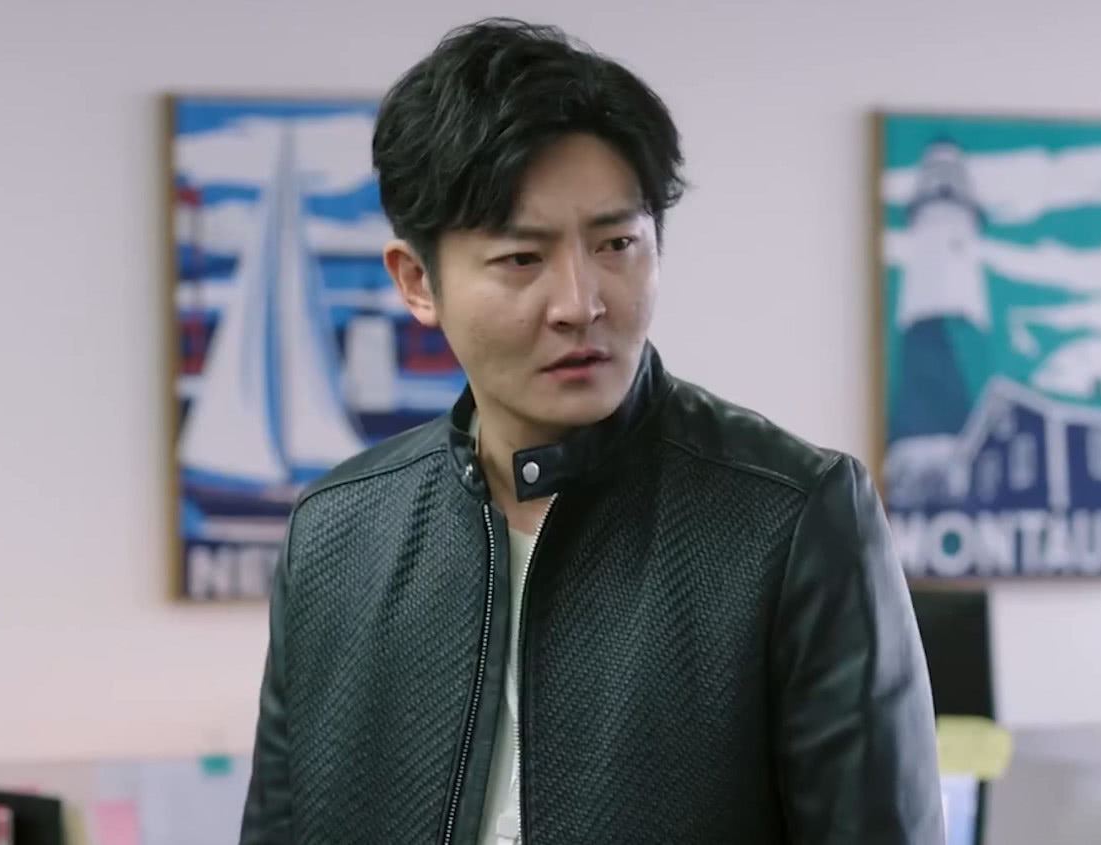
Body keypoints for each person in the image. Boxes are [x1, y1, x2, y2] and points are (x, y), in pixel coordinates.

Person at [239, 17, 945, 845]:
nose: (581, 303)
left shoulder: (789, 519)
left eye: (616, 244)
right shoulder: (336, 535)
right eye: (521, 259)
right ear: (417, 281)